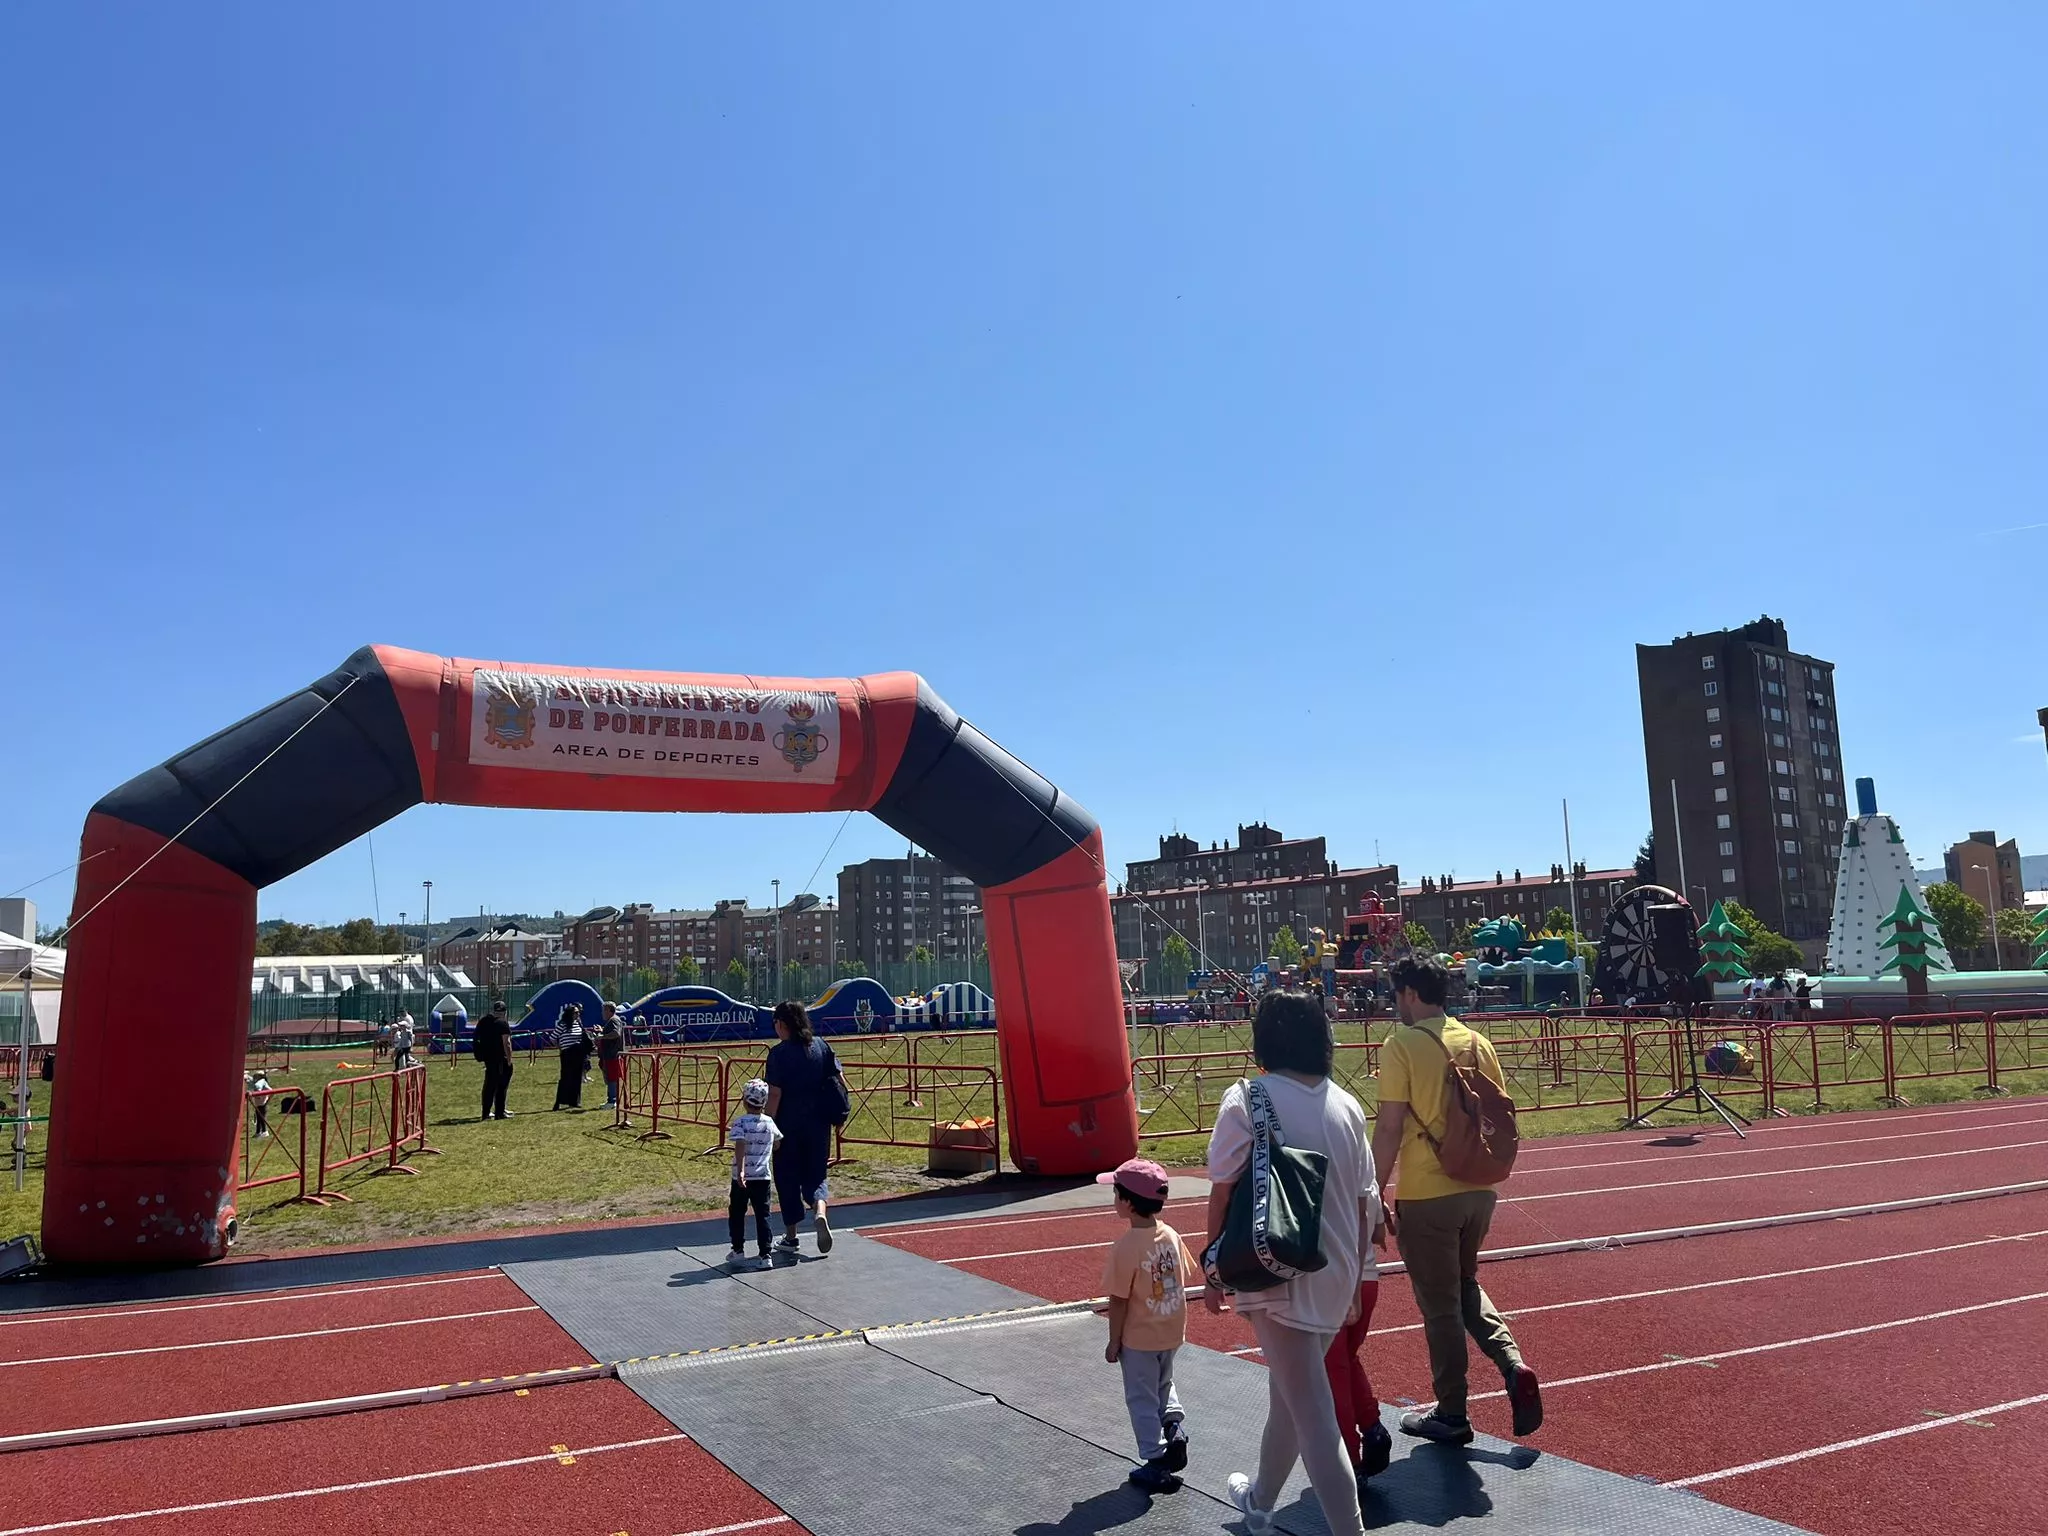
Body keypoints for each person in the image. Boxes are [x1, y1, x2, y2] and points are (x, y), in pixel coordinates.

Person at [1210, 991, 1376, 1536]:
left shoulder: (1247, 1099)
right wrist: (1355, 1277)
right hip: (1334, 1272)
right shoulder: (1347, 1105)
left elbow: (1223, 1188)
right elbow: (1361, 1201)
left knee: (1313, 1417)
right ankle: (1258, 1502)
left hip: (1272, 1269)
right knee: (1291, 1397)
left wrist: (1213, 1269)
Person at [1373, 955, 1541, 1448]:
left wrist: (1372, 1191)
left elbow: (1388, 1129)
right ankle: (1513, 1365)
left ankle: (1451, 1412)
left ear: (1408, 993)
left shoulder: (1401, 1045)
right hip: (1479, 1189)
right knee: (1464, 1284)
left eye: (1396, 994)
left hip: (1428, 1193)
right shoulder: (1477, 1041)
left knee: (1440, 1307)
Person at [1098, 1156, 1197, 1494]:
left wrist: (1114, 1342)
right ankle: (1173, 1425)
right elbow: (1181, 1275)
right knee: (1163, 1384)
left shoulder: (1126, 1247)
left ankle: (1156, 1460)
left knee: (1140, 1397)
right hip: (1170, 1329)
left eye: (1115, 1194)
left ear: (1127, 1202)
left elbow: (1120, 1299)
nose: (1114, 1201)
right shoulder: (1170, 1235)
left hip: (1140, 1336)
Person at [764, 1000, 844, 1257]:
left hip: (787, 1125)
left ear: (781, 1024)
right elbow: (840, 1080)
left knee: (787, 1177)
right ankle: (820, 1211)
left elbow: (774, 1094)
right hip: (819, 1123)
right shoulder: (821, 1046)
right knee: (816, 1174)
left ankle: (791, 1236)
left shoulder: (778, 1054)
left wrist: (768, 1126)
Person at [725, 1078, 782, 1271]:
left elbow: (740, 1145)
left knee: (737, 1213)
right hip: (762, 1177)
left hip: (742, 1177)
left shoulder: (740, 1123)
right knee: (763, 1215)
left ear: (744, 1100)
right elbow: (777, 1143)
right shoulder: (769, 1123)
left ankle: (738, 1249)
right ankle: (766, 1254)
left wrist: (740, 1169)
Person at [475, 999, 515, 1121]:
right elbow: (506, 1043)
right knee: (502, 1086)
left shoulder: (483, 1021)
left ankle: (486, 1113)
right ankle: (500, 1111)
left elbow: (477, 1037)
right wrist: (509, 1059)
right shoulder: (502, 1023)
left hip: (488, 1058)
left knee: (489, 1086)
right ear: (504, 1012)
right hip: (500, 1058)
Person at [552, 1003, 590, 1110]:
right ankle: (559, 1101)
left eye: (578, 1012)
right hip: (567, 1054)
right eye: (576, 1012)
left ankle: (574, 1101)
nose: (578, 1014)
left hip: (578, 1053)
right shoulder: (563, 1024)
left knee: (577, 1078)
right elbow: (553, 1038)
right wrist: (561, 1047)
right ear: (570, 1013)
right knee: (565, 1078)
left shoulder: (578, 1023)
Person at [596, 1003, 629, 1126]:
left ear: (609, 1010)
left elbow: (616, 1033)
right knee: (611, 1077)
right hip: (610, 1054)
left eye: (604, 1011)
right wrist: (601, 1031)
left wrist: (602, 1036)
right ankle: (612, 1100)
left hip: (613, 1055)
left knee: (612, 1078)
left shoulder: (614, 1020)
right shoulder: (612, 1020)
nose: (602, 1013)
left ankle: (612, 1101)